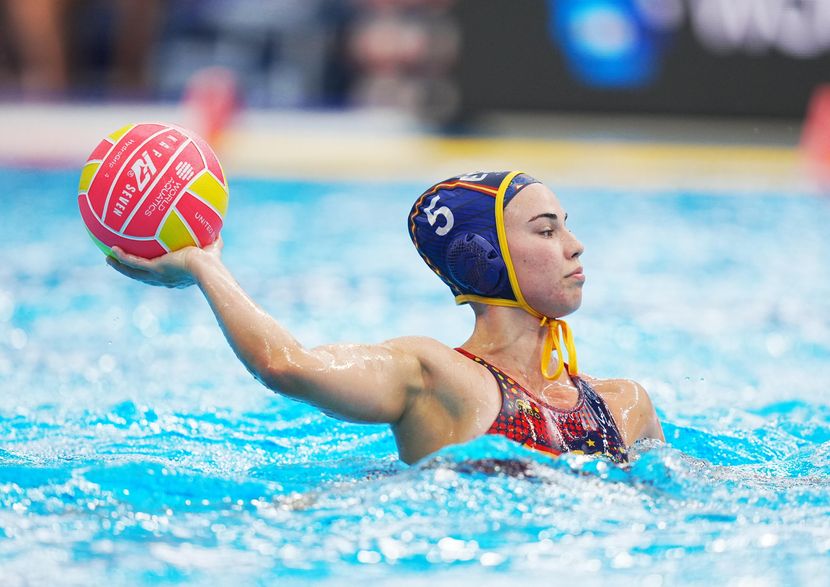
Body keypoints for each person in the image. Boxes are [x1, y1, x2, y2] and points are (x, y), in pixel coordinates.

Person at [107, 170, 664, 465]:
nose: (576, 245)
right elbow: (285, 365)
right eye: (546, 230)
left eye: (565, 225)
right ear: (485, 256)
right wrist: (207, 267)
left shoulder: (626, 404)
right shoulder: (433, 376)